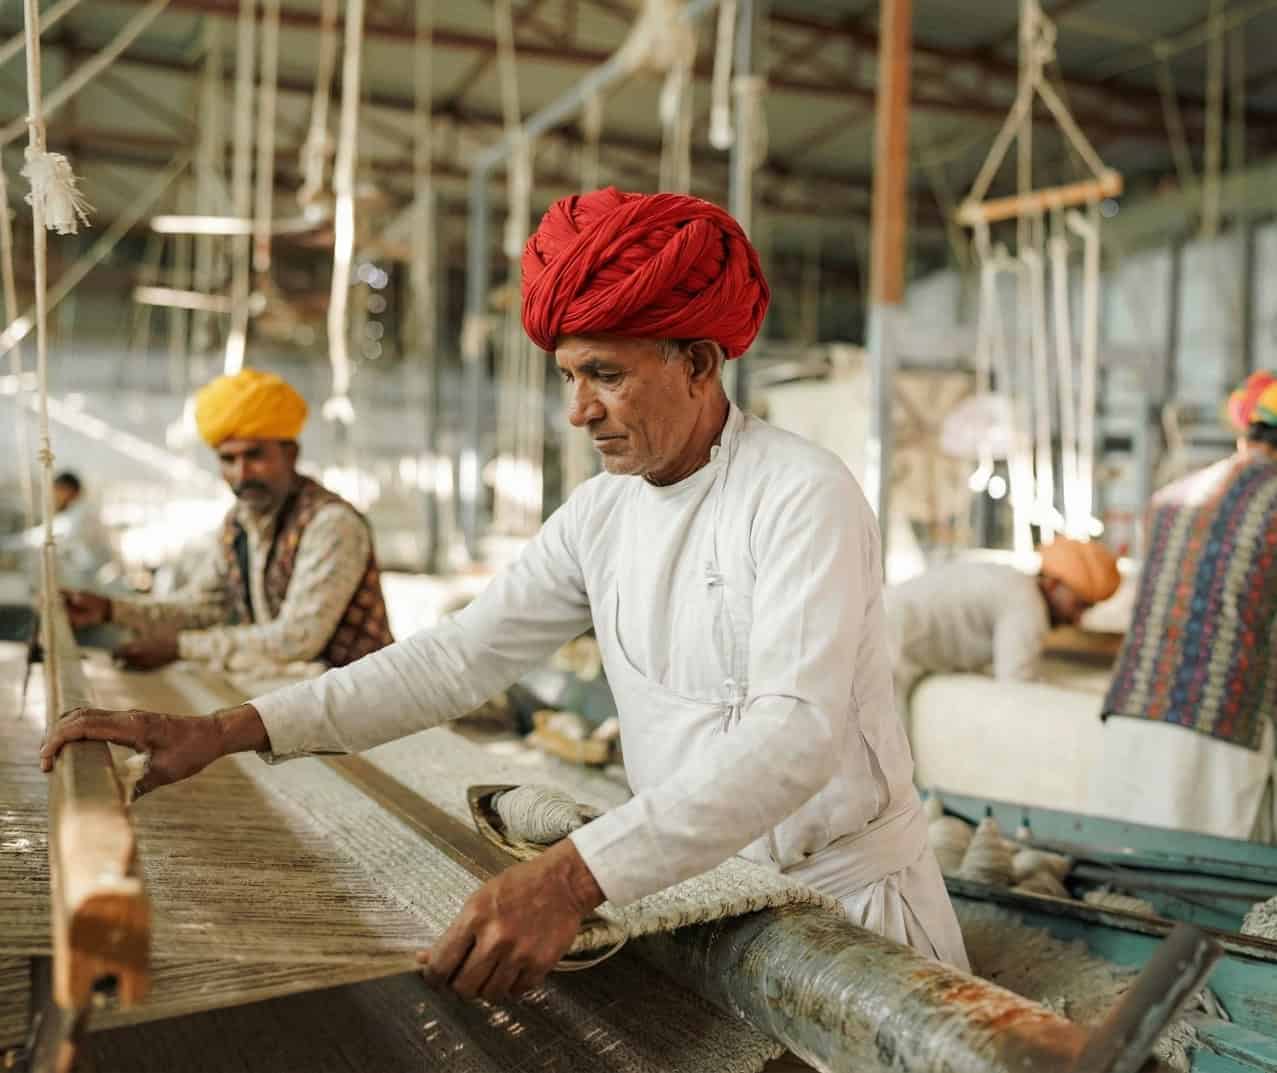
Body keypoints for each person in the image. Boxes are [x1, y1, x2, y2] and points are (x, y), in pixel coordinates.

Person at [42, 188, 968, 1006]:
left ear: (697, 361)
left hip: (846, 922)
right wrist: (230, 729)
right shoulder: (601, 515)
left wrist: (569, 879)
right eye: (568, 377)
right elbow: (456, 656)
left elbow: (793, 736)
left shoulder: (802, 492)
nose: (577, 410)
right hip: (697, 892)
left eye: (605, 374)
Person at [62, 368, 393, 671]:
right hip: (303, 694)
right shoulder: (238, 525)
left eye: (255, 456)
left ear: (290, 454)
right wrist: (111, 611)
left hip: (369, 711)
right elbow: (203, 606)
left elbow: (295, 639)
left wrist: (180, 648)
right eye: (228, 459)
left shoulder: (331, 524)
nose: (242, 473)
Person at [1088, 372, 1277, 842]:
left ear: (1243, 431)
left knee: (1127, 873)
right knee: (1211, 893)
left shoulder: (1169, 499)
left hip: (1135, 712)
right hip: (1221, 729)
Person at [885, 539, 1121, 722]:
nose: (1078, 618)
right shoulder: (1027, 605)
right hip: (884, 645)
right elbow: (1016, 685)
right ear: (1053, 583)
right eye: (1078, 605)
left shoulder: (1014, 583)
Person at [1, 471, 115, 590]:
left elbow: (45, 536)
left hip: (88, 579)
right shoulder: (76, 512)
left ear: (69, 491)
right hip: (87, 576)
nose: (54, 495)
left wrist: (6, 543)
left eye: (57, 490)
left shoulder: (79, 515)